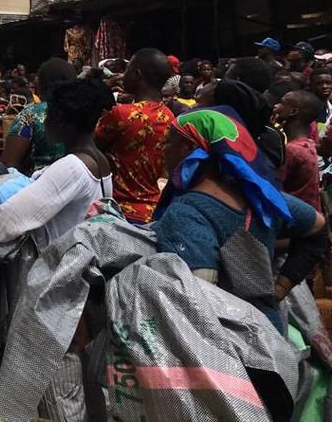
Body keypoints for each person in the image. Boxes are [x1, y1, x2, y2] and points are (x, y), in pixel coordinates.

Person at [153, 107, 327, 331]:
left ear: (187, 148)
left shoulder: (187, 212)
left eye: (168, 142)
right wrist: (279, 289)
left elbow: (197, 299)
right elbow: (318, 227)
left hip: (228, 351)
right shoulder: (261, 197)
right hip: (270, 335)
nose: (162, 149)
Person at [0, 79, 116, 248]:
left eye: (48, 116)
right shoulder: (99, 160)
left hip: (54, 265)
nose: (44, 123)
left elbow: (8, 219)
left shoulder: (73, 167)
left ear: (61, 121)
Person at [94, 48, 175, 224]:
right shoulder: (169, 116)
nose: (124, 75)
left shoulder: (121, 114)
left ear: (137, 74)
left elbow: (89, 145)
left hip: (120, 211)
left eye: (128, 69)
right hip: (154, 211)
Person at [0, 58, 78, 173]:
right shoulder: (83, 112)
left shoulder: (31, 114)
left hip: (41, 186)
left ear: (41, 84)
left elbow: (9, 163)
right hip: (80, 185)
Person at [272, 90, 323, 210]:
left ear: (293, 111)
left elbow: (273, 187)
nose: (275, 105)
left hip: (294, 217)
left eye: (282, 103)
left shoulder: (292, 151)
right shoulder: (308, 144)